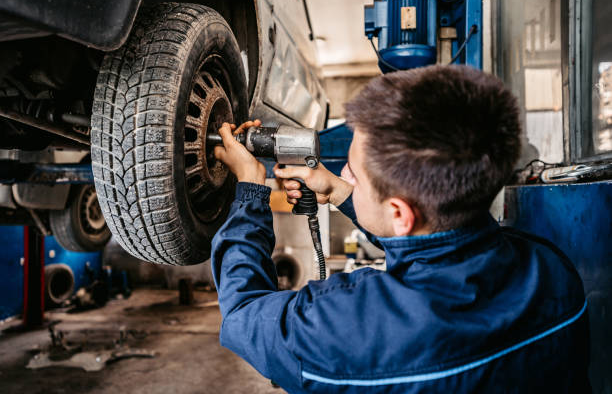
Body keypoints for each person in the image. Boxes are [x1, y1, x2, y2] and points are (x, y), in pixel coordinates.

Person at [211, 65, 590, 393]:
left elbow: (243, 313)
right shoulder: (554, 271)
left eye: (352, 173)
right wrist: (344, 193)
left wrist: (250, 188)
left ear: (400, 213)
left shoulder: (346, 330)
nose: (342, 173)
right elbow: (433, 241)